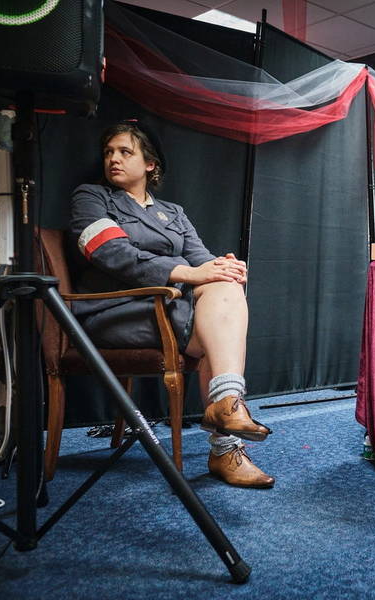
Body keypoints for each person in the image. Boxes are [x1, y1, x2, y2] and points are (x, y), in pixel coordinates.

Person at [68, 121, 274, 488]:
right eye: (109, 152)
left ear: (150, 164)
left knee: (223, 293)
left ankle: (226, 414)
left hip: (168, 309)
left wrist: (224, 266)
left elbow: (201, 259)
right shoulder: (92, 197)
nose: (113, 159)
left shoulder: (172, 212)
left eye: (125, 152)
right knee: (215, 327)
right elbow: (109, 252)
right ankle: (227, 442)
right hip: (114, 310)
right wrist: (190, 273)